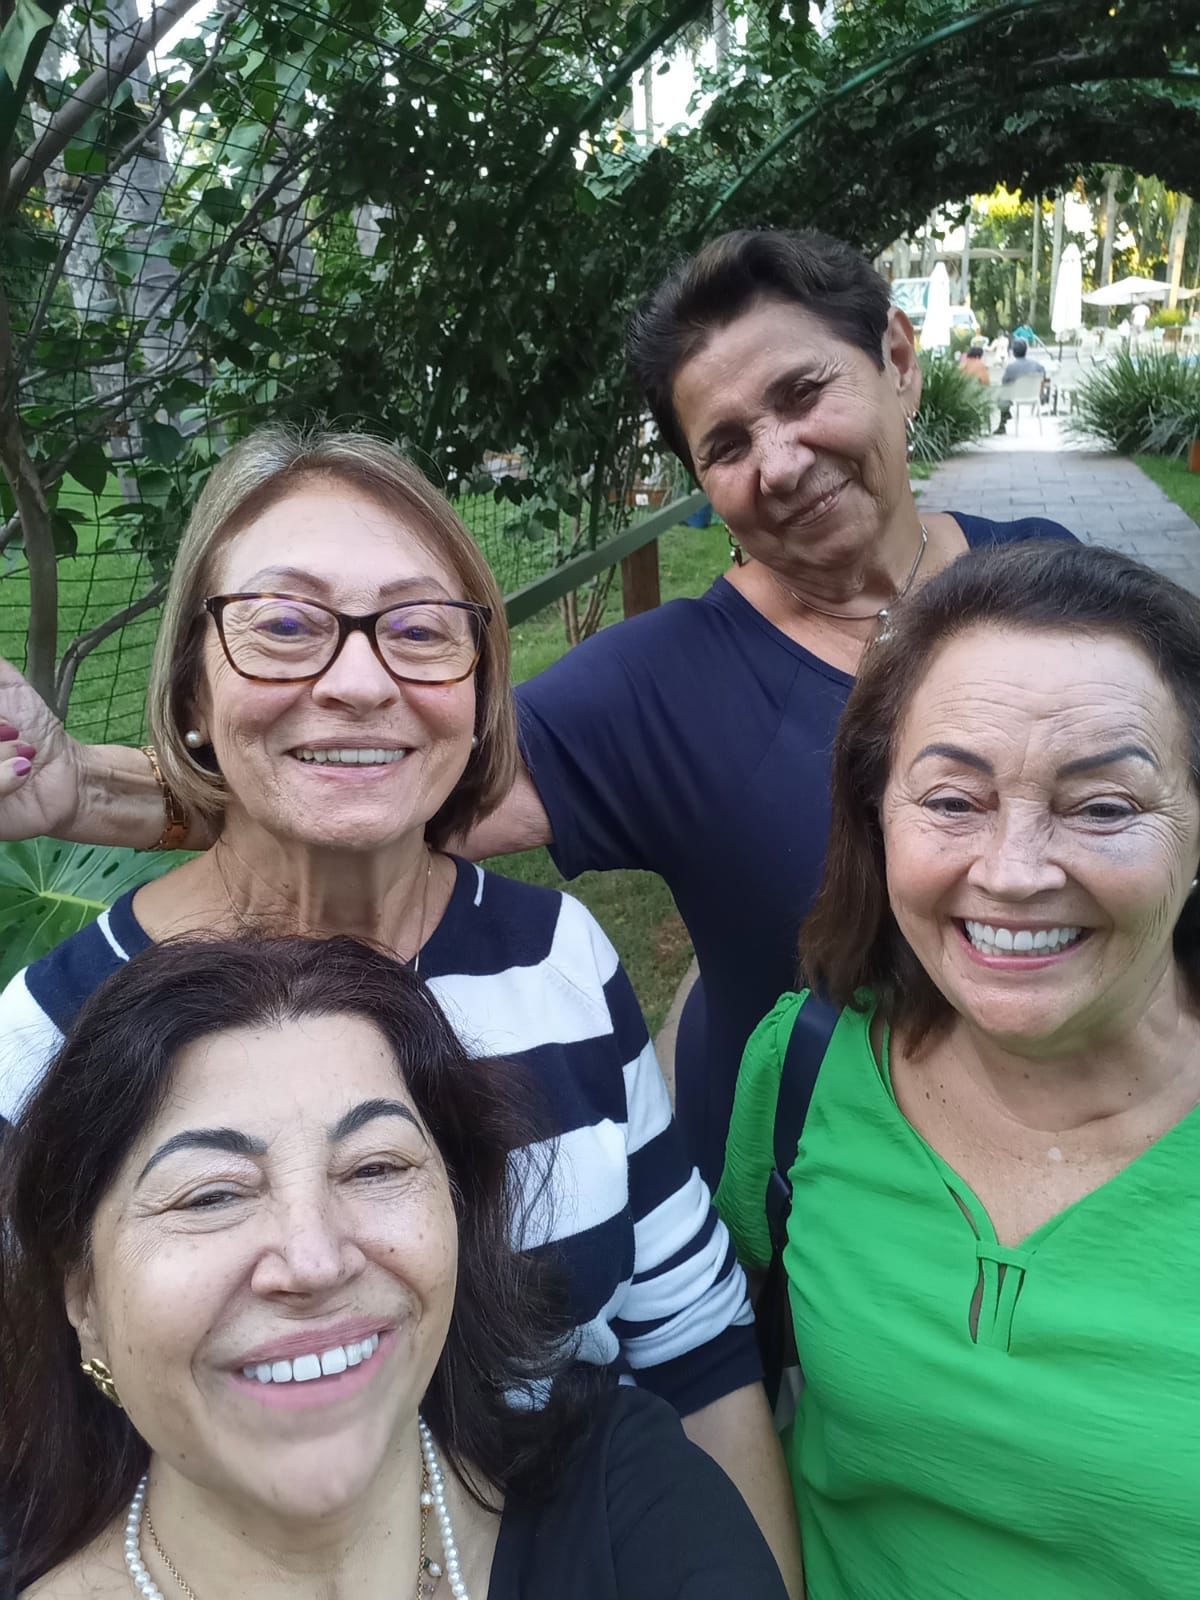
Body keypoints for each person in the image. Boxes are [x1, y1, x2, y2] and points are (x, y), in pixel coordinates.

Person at [0, 230, 1077, 1190]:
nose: (781, 462)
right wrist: (80, 788)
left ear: (897, 359)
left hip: (1096, 1137)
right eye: (727, 445)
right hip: (818, 1199)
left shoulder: (1054, 579)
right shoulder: (662, 682)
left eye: (803, 394)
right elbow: (369, 771)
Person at [0, 427, 800, 1589]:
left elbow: (693, 1341)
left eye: (421, 630)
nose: (361, 680)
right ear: (190, 690)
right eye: (284, 624)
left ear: (477, 694)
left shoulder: (558, 958)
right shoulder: (47, 1034)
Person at [0, 934, 791, 1600]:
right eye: (211, 1196)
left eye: (375, 1168)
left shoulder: (631, 1506)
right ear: (84, 1298)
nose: (315, 1261)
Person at [717, 539, 1200, 1599]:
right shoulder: (801, 1070)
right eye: (952, 800)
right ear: (876, 817)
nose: (1014, 872)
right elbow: (714, 1379)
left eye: (1103, 806)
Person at [994, 335, 1046, 433]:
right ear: (1026, 350)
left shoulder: (1011, 367)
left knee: (1002, 393)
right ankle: (1006, 414)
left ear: (1013, 352)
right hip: (1034, 395)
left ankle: (1003, 423)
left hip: (1016, 395)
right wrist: (1042, 392)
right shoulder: (1037, 365)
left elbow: (1004, 383)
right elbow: (1044, 377)